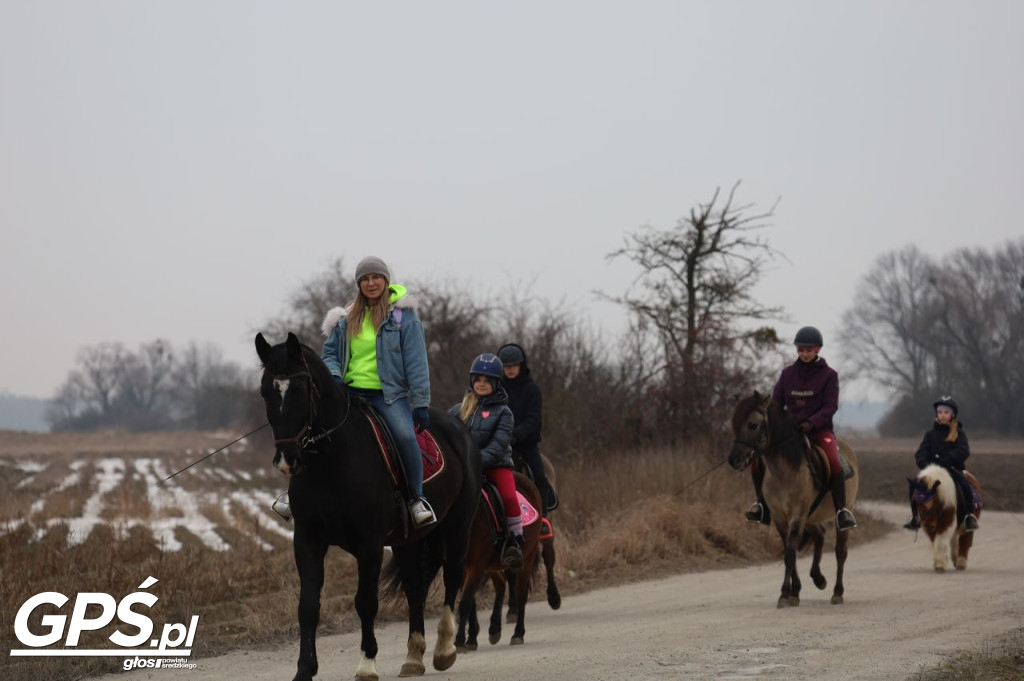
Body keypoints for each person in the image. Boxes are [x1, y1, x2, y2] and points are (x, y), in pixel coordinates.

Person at [320, 256, 436, 528]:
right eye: (365, 279)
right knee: (316, 433)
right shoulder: (347, 319)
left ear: (386, 280)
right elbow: (329, 354)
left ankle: (416, 498)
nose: (371, 283)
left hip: (388, 396)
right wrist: (335, 376)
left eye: (376, 277)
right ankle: (297, 494)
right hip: (349, 393)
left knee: (407, 437)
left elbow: (417, 361)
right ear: (359, 284)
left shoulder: (402, 317)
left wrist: (421, 402)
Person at [745, 326, 857, 531]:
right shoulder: (787, 374)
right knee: (757, 459)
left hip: (818, 431)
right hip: (789, 433)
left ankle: (841, 510)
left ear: (817, 350)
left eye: (809, 350)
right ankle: (761, 505)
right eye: (801, 350)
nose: (804, 354)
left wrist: (811, 422)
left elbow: (830, 406)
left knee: (833, 459)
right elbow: (776, 404)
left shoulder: (829, 375)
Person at [450, 353, 524, 569]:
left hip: (495, 466)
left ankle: (514, 541)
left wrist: (473, 462)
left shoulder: (504, 413)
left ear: (495, 383)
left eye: (487, 381)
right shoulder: (457, 410)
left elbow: (499, 445)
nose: (481, 384)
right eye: (478, 380)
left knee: (510, 497)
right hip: (464, 467)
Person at [496, 342, 558, 513]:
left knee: (539, 476)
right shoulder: (496, 390)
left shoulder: (532, 390)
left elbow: (533, 421)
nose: (510, 369)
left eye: (514, 365)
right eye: (506, 366)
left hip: (525, 446)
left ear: (521, 365)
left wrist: (514, 435)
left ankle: (543, 519)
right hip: (499, 444)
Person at [904, 396, 979, 532]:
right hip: (932, 472)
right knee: (914, 486)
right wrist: (925, 463)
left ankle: (969, 516)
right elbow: (921, 452)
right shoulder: (930, 434)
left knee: (965, 486)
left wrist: (946, 460)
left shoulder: (959, 433)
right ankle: (915, 517)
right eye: (940, 412)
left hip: (953, 470)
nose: (942, 415)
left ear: (952, 414)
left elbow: (963, 451)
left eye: (946, 412)